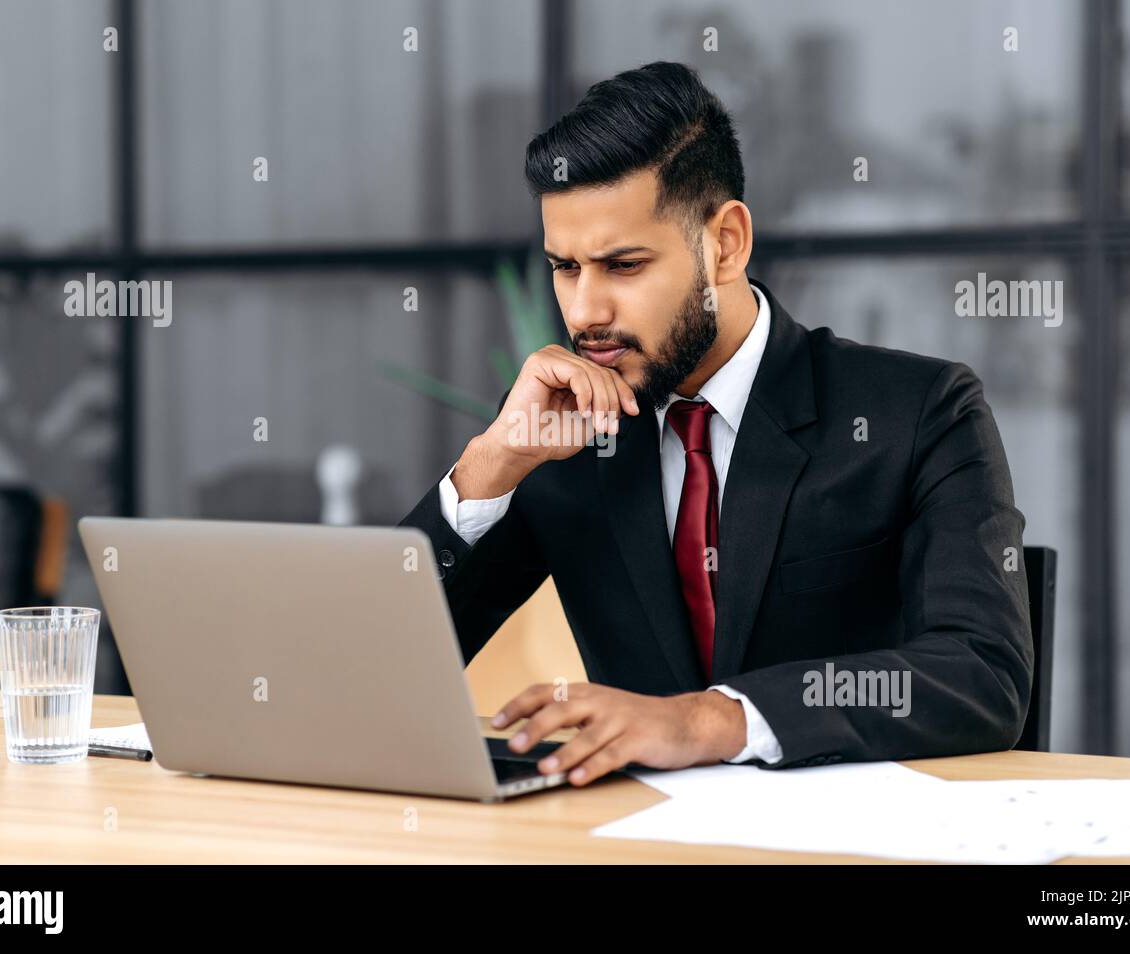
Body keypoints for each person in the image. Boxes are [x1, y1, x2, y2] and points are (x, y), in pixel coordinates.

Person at [399, 61, 1032, 787]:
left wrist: (709, 719)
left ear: (725, 244)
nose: (584, 312)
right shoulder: (563, 433)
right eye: (565, 267)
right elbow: (382, 672)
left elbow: (983, 673)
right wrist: (490, 465)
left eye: (624, 265)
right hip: (625, 839)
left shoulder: (918, 410)